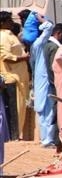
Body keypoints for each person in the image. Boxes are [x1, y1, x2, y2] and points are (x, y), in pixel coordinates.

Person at [0, 11, 31, 140]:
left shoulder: (11, 35)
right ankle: (13, 136)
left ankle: (16, 135)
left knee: (20, 107)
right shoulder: (3, 36)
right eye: (9, 21)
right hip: (11, 77)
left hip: (19, 77)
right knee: (14, 110)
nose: (12, 23)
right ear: (3, 23)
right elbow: (5, 56)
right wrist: (22, 58)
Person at [29, 13, 56, 147]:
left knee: (46, 111)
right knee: (47, 111)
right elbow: (49, 27)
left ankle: (47, 139)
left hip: (41, 80)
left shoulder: (36, 45)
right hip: (43, 81)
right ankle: (47, 140)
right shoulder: (39, 44)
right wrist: (42, 20)